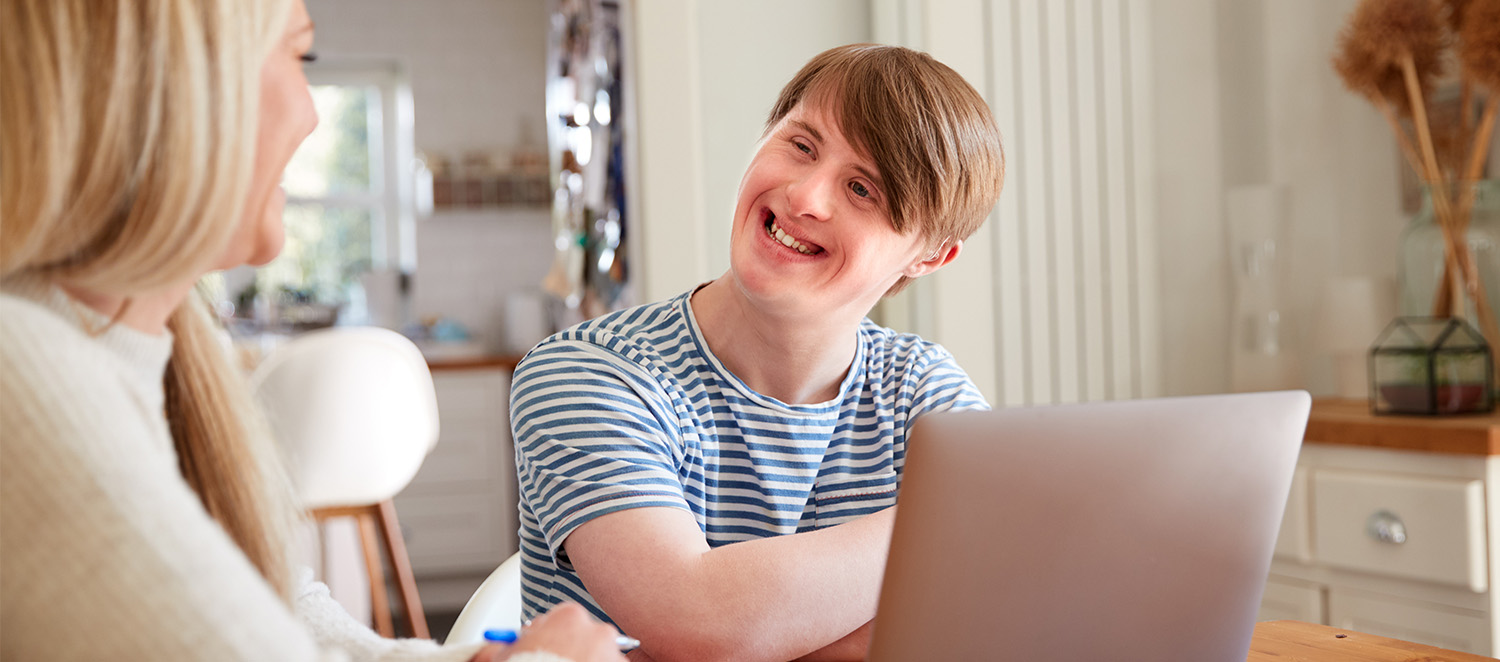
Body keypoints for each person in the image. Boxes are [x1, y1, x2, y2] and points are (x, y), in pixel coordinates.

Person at [0, 1, 624, 661]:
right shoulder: (25, 370)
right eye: (300, 57)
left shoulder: (175, 349)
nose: (312, 113)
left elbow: (273, 607)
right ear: (178, 86)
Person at [511, 44, 1005, 662]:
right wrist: (946, 527)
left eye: (861, 189)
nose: (805, 198)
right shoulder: (585, 374)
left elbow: (1000, 609)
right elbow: (697, 624)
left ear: (929, 255)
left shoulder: (923, 389)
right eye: (801, 145)